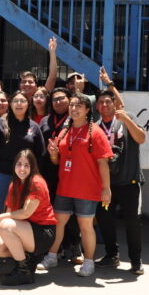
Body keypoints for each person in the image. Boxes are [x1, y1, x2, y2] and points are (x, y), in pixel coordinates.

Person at [38, 93, 112, 277]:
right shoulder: (65, 131)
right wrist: (53, 153)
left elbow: (103, 162)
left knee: (85, 226)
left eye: (79, 105)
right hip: (65, 187)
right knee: (58, 223)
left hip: (87, 189)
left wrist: (106, 188)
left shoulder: (95, 131)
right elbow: (57, 161)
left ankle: (88, 262)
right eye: (72, 105)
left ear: (87, 110)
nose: (74, 108)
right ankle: (52, 256)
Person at [94, 90, 147, 275]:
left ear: (114, 103)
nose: (105, 105)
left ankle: (136, 260)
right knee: (105, 220)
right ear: (96, 106)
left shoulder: (126, 118)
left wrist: (127, 120)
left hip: (129, 182)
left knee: (132, 222)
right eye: (100, 102)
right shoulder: (96, 127)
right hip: (106, 185)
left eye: (108, 101)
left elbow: (141, 138)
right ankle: (111, 255)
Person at [0, 149, 57, 286]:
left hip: (43, 233)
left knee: (6, 225)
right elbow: (10, 211)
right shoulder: (14, 184)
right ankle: (28, 260)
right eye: (19, 164)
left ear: (33, 167)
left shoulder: (36, 182)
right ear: (14, 166)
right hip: (25, 230)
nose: (22, 168)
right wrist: (3, 230)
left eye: (27, 165)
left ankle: (23, 272)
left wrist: (2, 217)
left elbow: (26, 213)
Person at [0, 90, 45, 237]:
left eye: (22, 101)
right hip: (2, 173)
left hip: (26, 176)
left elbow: (40, 154)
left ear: (28, 104)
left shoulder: (34, 126)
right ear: (10, 104)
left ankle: (17, 246)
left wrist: (37, 177)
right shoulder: (0, 123)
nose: (19, 104)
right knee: (0, 211)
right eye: (15, 101)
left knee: (23, 212)